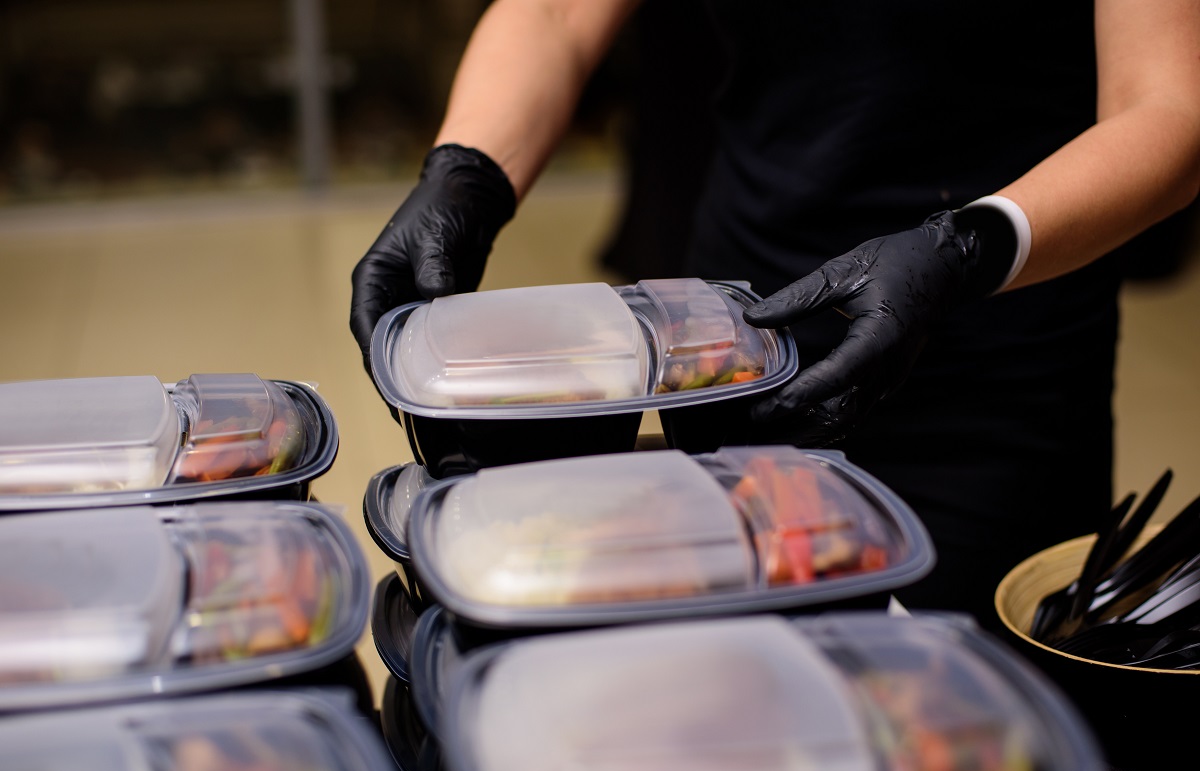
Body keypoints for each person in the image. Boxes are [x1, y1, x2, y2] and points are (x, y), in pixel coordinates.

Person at [349, 0, 1200, 633]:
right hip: (738, 339)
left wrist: (968, 247)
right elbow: (560, 13)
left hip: (994, 345)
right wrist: (465, 175)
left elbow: (1168, 106)